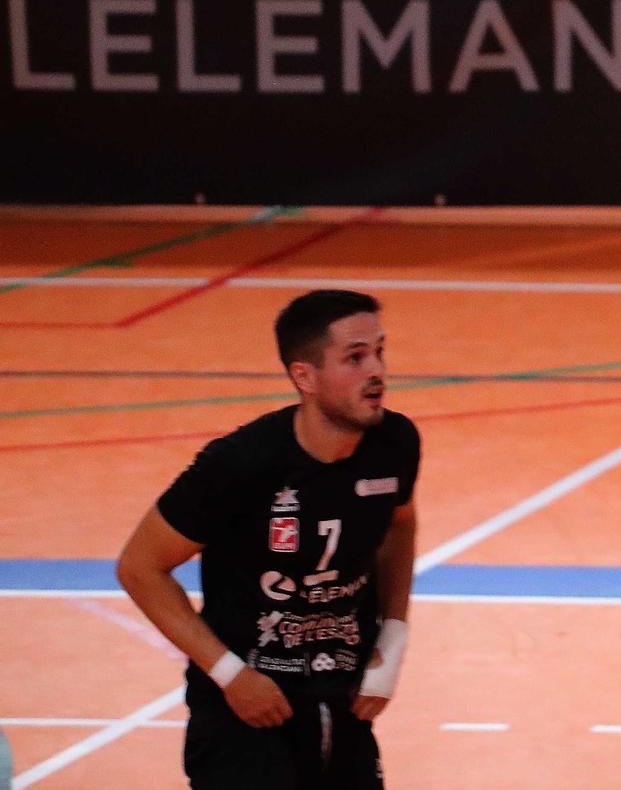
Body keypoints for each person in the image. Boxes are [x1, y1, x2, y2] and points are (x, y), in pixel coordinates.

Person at [116, 291, 420, 789]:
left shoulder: (395, 444)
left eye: (380, 352)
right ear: (305, 376)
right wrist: (231, 675)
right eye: (356, 357)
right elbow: (140, 566)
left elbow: (400, 523)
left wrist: (394, 637)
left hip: (342, 697)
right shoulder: (240, 463)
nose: (377, 371)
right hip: (249, 710)